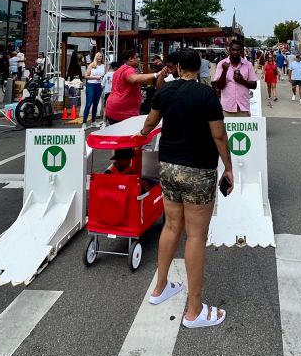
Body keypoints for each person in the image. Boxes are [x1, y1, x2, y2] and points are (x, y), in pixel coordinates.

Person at [138, 49, 233, 328]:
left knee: (170, 227)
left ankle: (160, 288)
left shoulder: (165, 93)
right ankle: (194, 310)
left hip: (168, 166)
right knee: (195, 236)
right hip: (199, 169)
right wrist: (228, 166)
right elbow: (218, 134)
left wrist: (141, 134)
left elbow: (149, 123)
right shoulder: (206, 95)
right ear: (200, 67)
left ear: (178, 67)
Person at [104, 50, 158, 124]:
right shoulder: (128, 69)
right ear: (130, 59)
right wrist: (156, 74)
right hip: (123, 112)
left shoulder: (120, 69)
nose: (139, 59)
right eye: (137, 57)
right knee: (125, 134)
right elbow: (133, 79)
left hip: (113, 109)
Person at [213, 39, 257, 116]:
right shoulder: (221, 64)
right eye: (233, 50)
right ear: (229, 50)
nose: (235, 52)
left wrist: (242, 81)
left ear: (241, 51)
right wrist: (224, 71)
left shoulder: (248, 65)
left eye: (238, 50)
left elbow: (254, 85)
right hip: (227, 108)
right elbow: (219, 86)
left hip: (243, 108)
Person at [83, 51, 106, 125]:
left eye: (101, 56)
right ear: (95, 57)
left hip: (99, 86)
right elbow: (86, 76)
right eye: (98, 56)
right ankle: (84, 122)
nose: (99, 57)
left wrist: (104, 84)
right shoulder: (92, 65)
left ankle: (93, 121)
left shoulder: (104, 66)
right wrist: (95, 77)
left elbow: (105, 76)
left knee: (96, 104)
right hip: (91, 85)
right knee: (89, 103)